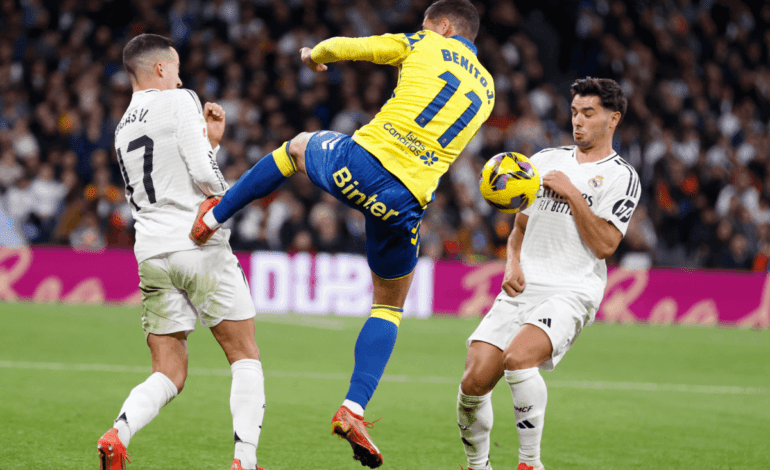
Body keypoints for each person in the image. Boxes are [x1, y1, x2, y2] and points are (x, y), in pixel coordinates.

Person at [190, 0, 494, 467]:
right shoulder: (488, 88)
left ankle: (214, 215)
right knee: (389, 305)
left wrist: (319, 54)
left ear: (444, 26)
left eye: (426, 24)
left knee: (297, 147)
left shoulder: (425, 42)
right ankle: (353, 407)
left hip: (365, 162)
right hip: (407, 202)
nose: (421, 30)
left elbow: (358, 47)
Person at [97, 34, 266, 470]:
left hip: (151, 250)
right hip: (196, 243)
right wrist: (227, 197)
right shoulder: (180, 100)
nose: (180, 76)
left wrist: (208, 140)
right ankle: (244, 462)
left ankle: (118, 434)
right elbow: (202, 175)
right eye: (175, 68)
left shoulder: (122, 127)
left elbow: (168, 176)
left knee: (168, 372)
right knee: (244, 354)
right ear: (159, 69)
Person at [457, 78, 638, 470]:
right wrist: (512, 263)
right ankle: (477, 466)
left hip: (572, 289)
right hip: (523, 288)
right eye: (574, 112)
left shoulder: (621, 177)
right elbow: (519, 228)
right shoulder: (542, 161)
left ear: (613, 119)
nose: (578, 122)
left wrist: (572, 193)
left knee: (519, 358)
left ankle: (530, 463)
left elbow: (605, 245)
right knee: (473, 382)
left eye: (588, 113)